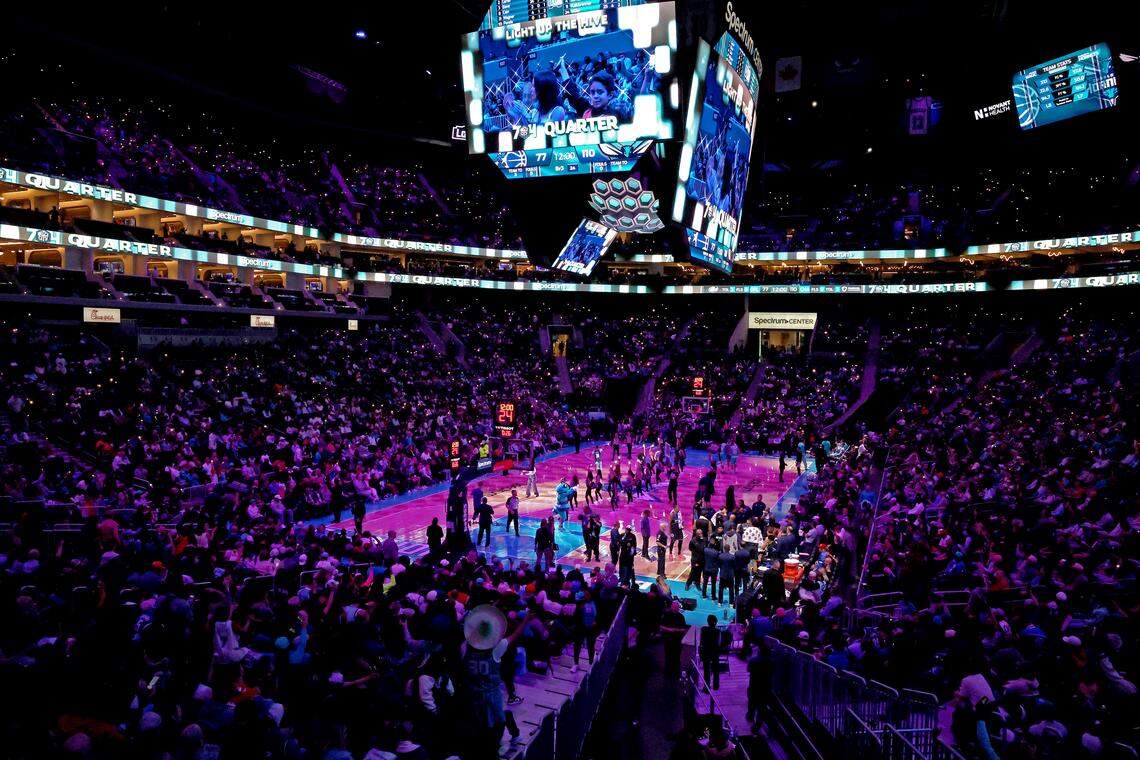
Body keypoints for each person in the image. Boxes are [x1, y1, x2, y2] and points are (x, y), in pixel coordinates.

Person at [461, 611, 530, 758]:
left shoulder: (465, 648)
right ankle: (495, 748)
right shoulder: (496, 649)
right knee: (497, 723)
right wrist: (526, 621)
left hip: (473, 693)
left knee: (482, 723)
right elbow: (514, 636)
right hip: (492, 694)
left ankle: (491, 745)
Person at [660, 600, 689, 677]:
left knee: (676, 657)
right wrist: (670, 630)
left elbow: (684, 629)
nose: (675, 608)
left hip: (677, 640)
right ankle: (668, 672)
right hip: (668, 640)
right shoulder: (666, 615)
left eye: (676, 607)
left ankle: (675, 673)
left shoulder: (681, 617)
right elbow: (661, 626)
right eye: (674, 607)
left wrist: (676, 630)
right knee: (668, 656)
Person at [699, 615, 725, 690]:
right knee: (716, 669)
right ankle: (716, 686)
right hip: (715, 652)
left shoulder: (703, 629)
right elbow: (719, 642)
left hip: (706, 651)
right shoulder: (718, 631)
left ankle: (706, 687)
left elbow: (701, 641)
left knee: (706, 670)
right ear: (715, 622)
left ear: (708, 621)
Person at [685, 530, 705, 595]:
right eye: (699, 534)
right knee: (693, 572)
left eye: (701, 533)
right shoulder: (693, 541)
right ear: (696, 534)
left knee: (699, 572)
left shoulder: (704, 540)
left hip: (702, 559)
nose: (701, 535)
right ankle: (688, 584)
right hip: (695, 560)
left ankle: (697, 584)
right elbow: (690, 548)